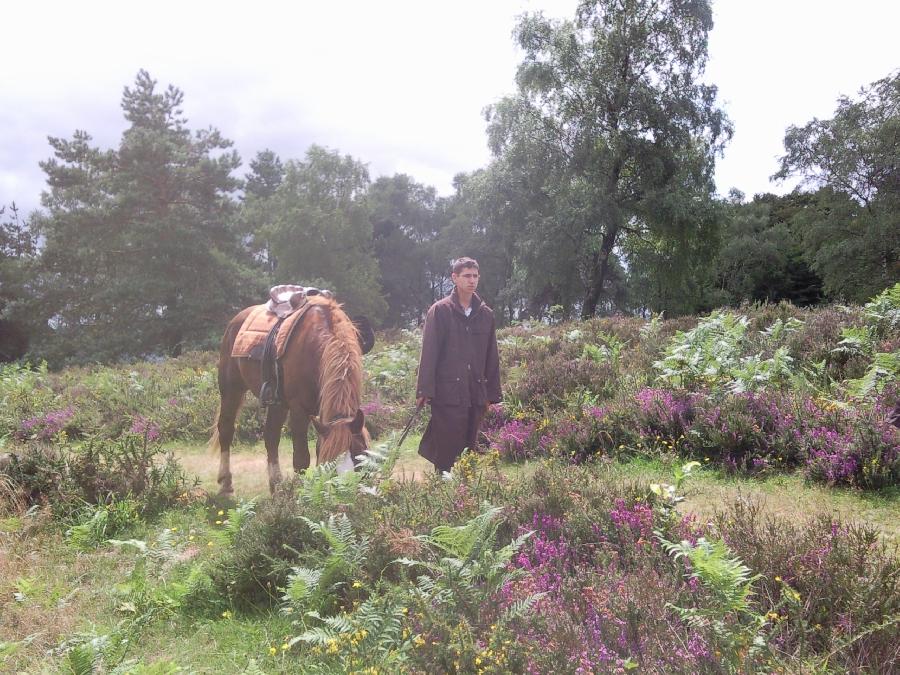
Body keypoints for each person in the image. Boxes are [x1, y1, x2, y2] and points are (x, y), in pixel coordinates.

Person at [415, 257, 502, 474]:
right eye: (466, 276)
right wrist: (425, 390)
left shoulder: (486, 315)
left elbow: (492, 356)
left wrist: (492, 393)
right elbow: (429, 353)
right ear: (454, 278)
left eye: (475, 276)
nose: (471, 281)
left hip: (476, 392)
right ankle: (442, 487)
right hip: (447, 393)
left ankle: (465, 493)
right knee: (446, 445)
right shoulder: (440, 311)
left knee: (469, 445)